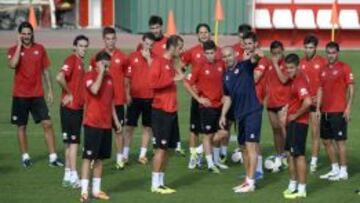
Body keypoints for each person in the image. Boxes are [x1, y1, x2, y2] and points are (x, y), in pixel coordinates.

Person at [8, 21, 63, 168]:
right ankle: (25, 157)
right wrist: (19, 46)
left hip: (37, 94)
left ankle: (53, 158)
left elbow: (45, 70)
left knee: (47, 124)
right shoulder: (13, 49)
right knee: (21, 126)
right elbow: (13, 64)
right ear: (20, 35)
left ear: (32, 33)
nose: (26, 36)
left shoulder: (40, 49)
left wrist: (50, 90)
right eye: (23, 34)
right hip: (20, 95)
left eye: (28, 33)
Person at [219, 45, 264, 193]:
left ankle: (251, 182)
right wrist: (223, 114)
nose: (227, 59)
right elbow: (228, 98)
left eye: (229, 55)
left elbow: (257, 56)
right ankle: (248, 179)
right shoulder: (226, 76)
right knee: (243, 147)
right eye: (224, 56)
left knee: (251, 146)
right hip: (240, 115)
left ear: (235, 55)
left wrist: (256, 53)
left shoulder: (245, 66)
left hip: (252, 111)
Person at [80, 51, 122, 202]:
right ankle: (84, 191)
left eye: (108, 64)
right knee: (88, 157)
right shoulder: (89, 76)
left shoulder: (110, 78)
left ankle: (96, 191)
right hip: (92, 123)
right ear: (97, 63)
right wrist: (101, 74)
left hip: (105, 125)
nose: (107, 67)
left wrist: (116, 121)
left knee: (99, 159)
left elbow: (110, 102)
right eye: (104, 64)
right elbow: (95, 90)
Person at [180, 23, 222, 168]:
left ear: (210, 34)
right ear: (197, 35)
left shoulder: (218, 52)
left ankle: (211, 157)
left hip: (215, 98)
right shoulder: (192, 52)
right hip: (199, 97)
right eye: (201, 32)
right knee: (194, 129)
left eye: (206, 32)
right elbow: (181, 68)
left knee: (215, 130)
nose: (203, 34)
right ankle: (194, 157)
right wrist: (192, 83)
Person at [90, 27, 128, 170]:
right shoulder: (96, 57)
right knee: (99, 131)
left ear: (116, 39)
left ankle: (119, 158)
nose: (110, 41)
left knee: (119, 130)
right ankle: (94, 157)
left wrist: (127, 94)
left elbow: (126, 78)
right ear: (103, 40)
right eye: (108, 39)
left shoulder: (123, 57)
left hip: (117, 101)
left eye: (113, 38)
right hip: (101, 103)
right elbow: (92, 77)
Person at [150, 35, 184, 194]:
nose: (181, 50)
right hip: (161, 111)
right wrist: (172, 80)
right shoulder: (158, 62)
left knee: (169, 149)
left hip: (171, 110)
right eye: (179, 47)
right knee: (160, 149)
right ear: (172, 47)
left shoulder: (170, 63)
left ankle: (161, 182)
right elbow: (152, 84)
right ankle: (155, 184)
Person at [318, 42, 354, 181]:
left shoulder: (345, 68)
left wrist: (348, 107)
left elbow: (351, 88)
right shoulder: (322, 69)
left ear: (337, 53)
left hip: (338, 111)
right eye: (328, 52)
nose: (330, 55)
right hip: (325, 111)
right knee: (326, 141)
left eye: (333, 53)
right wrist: (317, 109)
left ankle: (343, 171)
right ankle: (335, 169)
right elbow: (320, 88)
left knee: (340, 142)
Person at [56, 35, 89, 188]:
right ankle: (75, 176)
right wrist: (69, 93)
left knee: (69, 143)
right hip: (72, 108)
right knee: (74, 143)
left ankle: (67, 176)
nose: (84, 49)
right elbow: (59, 77)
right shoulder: (72, 60)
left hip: (71, 108)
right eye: (81, 46)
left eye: (85, 46)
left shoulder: (80, 63)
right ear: (75, 46)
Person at [282, 53, 312, 199]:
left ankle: (302, 189)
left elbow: (307, 102)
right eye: (287, 68)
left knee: (298, 155)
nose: (289, 70)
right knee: (290, 154)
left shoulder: (299, 80)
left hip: (299, 123)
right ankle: (293, 185)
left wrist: (295, 115)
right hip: (293, 122)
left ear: (298, 66)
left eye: (292, 68)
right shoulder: (294, 79)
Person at [123, 32, 155, 165]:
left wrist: (148, 60)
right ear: (142, 42)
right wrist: (127, 94)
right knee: (129, 127)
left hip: (150, 98)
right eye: (147, 43)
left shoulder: (155, 59)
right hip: (135, 98)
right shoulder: (132, 57)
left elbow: (157, 75)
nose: (148, 47)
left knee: (147, 127)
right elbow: (127, 78)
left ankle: (142, 155)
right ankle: (124, 155)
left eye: (151, 45)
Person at [299, 34, 327, 173]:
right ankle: (298, 156)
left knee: (315, 132)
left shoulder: (322, 62)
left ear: (315, 48)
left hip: (317, 104)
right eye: (306, 47)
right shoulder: (301, 62)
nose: (308, 50)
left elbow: (325, 84)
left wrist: (318, 100)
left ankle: (314, 161)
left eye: (311, 47)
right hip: (303, 103)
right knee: (300, 131)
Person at [266, 40, 290, 170]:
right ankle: (279, 155)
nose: (277, 56)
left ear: (283, 51)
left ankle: (289, 154)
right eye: (274, 54)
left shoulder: (287, 64)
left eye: (279, 53)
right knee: (275, 131)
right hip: (271, 103)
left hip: (283, 103)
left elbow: (284, 79)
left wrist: (275, 65)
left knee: (284, 130)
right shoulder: (268, 64)